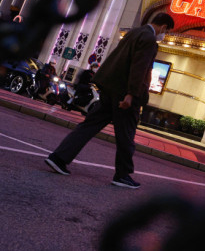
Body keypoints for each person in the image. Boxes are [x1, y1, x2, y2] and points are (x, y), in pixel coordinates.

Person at [44, 13, 174, 189]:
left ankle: (59, 158)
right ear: (164, 27)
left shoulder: (134, 33)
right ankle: (122, 175)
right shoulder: (149, 39)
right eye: (166, 32)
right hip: (124, 94)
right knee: (126, 134)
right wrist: (131, 94)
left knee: (89, 125)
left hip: (109, 87)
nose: (164, 36)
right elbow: (139, 68)